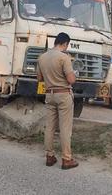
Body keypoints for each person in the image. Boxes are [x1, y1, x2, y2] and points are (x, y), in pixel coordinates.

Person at [37, 32, 78, 169]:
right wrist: (74, 74)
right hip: (63, 94)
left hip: (49, 94)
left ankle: (49, 156)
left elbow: (39, 78)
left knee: (49, 127)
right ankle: (67, 159)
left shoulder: (42, 57)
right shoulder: (64, 57)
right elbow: (71, 80)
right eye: (67, 45)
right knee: (65, 128)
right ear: (65, 43)